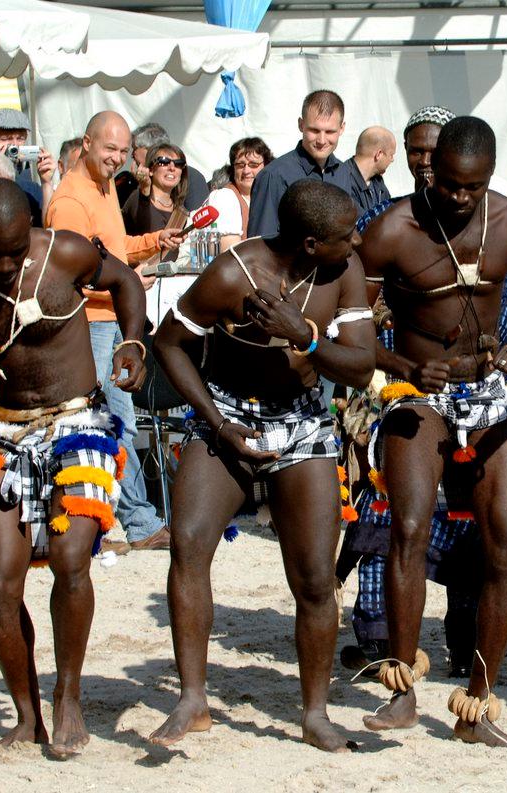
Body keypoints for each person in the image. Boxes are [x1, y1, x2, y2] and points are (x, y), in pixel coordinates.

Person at [357, 116, 507, 746]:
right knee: (407, 527)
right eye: (452, 184)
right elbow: (344, 326)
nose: (461, 197)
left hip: (491, 392)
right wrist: (399, 363)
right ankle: (403, 693)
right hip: (416, 392)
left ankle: (478, 704)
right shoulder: (393, 229)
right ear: (432, 171)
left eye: (474, 186)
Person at [0, 178, 148, 756]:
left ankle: (68, 698)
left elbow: (123, 279)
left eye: (15, 253)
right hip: (8, 434)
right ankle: (26, 717)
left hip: (80, 422)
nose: (5, 266)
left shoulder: (64, 252)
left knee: (72, 559)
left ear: (31, 235)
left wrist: (133, 341)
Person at [149, 180, 374, 752]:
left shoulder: (342, 270)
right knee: (189, 544)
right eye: (344, 236)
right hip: (225, 416)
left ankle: (315, 712)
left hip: (302, 421)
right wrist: (218, 425)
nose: (356, 243)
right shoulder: (232, 274)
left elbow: (362, 367)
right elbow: (169, 343)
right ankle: (192, 699)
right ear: (307, 242)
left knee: (316, 579)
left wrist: (306, 337)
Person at [45, 111, 185, 552]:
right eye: (110, 149)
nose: (118, 158)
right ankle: (139, 524)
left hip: (106, 320)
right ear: (87, 144)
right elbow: (73, 270)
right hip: (90, 323)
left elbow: (112, 247)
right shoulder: (70, 201)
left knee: (100, 424)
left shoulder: (103, 188)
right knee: (113, 423)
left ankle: (100, 524)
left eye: (124, 152)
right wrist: (125, 279)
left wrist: (151, 243)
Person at [248, 90, 355, 238]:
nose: (321, 140)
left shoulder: (343, 172)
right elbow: (260, 244)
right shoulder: (274, 176)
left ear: (342, 128)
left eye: (330, 132)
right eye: (314, 130)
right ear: (301, 125)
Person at [116, 122, 210, 212]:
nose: (132, 154)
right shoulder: (133, 181)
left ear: (150, 150)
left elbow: (198, 221)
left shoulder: (190, 177)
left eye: (135, 148)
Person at [0, 108, 56, 217]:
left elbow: (49, 225)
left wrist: (46, 182)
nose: (14, 145)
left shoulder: (31, 189)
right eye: (6, 138)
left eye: (20, 138)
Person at [204, 138, 274, 250]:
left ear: (266, 166)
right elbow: (230, 253)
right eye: (240, 165)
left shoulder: (271, 196)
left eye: (253, 164)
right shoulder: (224, 197)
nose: (246, 171)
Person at [121, 142, 189, 240]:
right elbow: (143, 232)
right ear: (151, 170)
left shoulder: (180, 212)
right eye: (164, 162)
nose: (172, 168)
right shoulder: (139, 197)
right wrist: (145, 189)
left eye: (179, 163)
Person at [346, 127, 395, 217]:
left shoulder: (378, 182)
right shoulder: (342, 181)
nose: (392, 160)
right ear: (379, 154)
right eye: (391, 154)